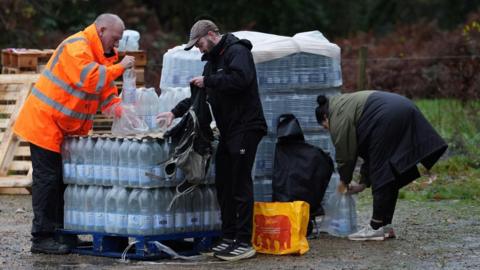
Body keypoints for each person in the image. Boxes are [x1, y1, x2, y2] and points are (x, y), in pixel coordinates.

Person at [13, 13, 135, 254]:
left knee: (63, 182)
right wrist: (120, 67)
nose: (117, 44)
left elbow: (105, 89)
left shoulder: (100, 54)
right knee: (48, 182)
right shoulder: (76, 47)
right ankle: (42, 237)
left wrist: (119, 108)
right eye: (115, 38)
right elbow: (90, 79)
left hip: (65, 128)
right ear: (101, 30)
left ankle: (62, 234)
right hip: (45, 123)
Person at [157, 20, 267, 261]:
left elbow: (241, 80)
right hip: (228, 130)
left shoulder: (238, 51)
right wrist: (174, 112)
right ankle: (227, 236)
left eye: (198, 43)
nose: (198, 49)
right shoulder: (212, 62)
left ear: (210, 35)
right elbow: (199, 96)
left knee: (239, 183)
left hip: (247, 126)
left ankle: (244, 241)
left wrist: (210, 81)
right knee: (224, 183)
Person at [315, 90, 447, 241]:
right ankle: (386, 226)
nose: (328, 130)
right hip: (403, 108)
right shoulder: (345, 104)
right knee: (390, 172)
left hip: (388, 116)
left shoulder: (337, 115)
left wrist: (344, 181)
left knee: (381, 173)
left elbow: (346, 155)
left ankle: (375, 226)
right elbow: (370, 153)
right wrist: (363, 184)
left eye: (325, 127)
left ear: (325, 117)